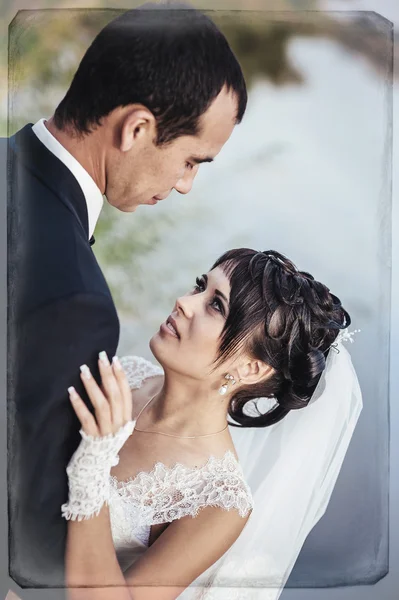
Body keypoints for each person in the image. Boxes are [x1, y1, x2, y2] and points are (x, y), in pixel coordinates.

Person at [7, 3, 247, 587]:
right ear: (137, 128)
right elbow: (26, 547)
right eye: (191, 160)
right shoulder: (76, 302)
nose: (186, 185)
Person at [61, 248, 363, 600]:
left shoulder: (219, 502)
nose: (183, 302)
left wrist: (93, 471)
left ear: (251, 368)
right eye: (198, 288)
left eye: (215, 305)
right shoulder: (126, 375)